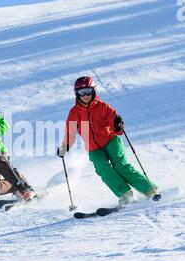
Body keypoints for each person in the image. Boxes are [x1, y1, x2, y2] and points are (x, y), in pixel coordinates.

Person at [57, 76, 158, 205]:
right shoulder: (74, 113)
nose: (86, 95)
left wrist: (117, 125)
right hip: (93, 147)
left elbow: (115, 123)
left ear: (93, 91)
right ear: (77, 94)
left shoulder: (102, 107)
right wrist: (65, 146)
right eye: (82, 92)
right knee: (102, 168)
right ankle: (125, 195)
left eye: (88, 91)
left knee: (121, 166)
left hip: (110, 140)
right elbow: (70, 133)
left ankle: (150, 190)